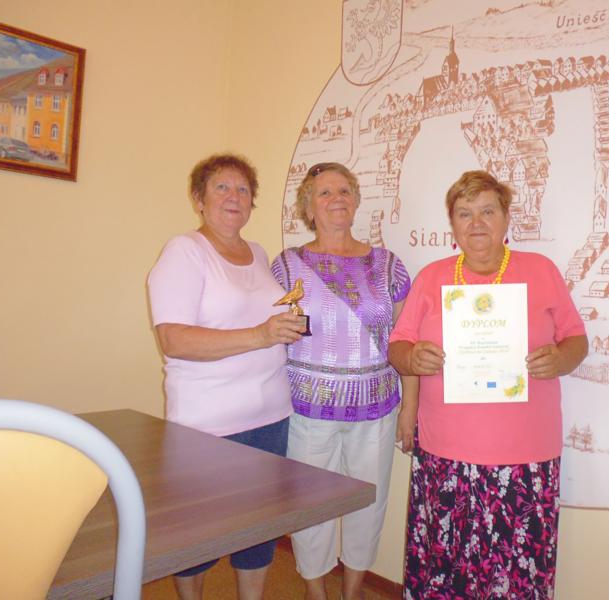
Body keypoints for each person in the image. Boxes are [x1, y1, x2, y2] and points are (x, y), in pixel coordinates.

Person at [388, 170, 588, 599]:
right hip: (445, 455)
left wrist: (561, 359)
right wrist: (412, 356)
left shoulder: (541, 270)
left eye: (487, 211)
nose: (476, 223)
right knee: (445, 574)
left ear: (506, 218)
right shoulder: (432, 277)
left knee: (516, 579)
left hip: (526, 458)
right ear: (452, 223)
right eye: (465, 213)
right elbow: (397, 346)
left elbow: (576, 339)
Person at [147, 153, 307, 600]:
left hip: (271, 416)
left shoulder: (258, 253)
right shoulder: (184, 251)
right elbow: (174, 339)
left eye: (243, 189)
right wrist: (260, 335)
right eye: (222, 187)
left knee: (258, 531)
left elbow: (265, 319)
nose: (234, 196)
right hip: (209, 426)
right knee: (198, 536)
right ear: (199, 199)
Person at [270, 162, 412, 600]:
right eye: (325, 192)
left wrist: (410, 407)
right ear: (309, 207)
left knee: (368, 502)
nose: (337, 199)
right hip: (307, 410)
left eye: (345, 191)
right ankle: (316, 590)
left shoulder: (388, 266)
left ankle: (353, 591)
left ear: (356, 201)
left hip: (376, 409)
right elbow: (272, 336)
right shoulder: (285, 266)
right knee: (309, 504)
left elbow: (405, 340)